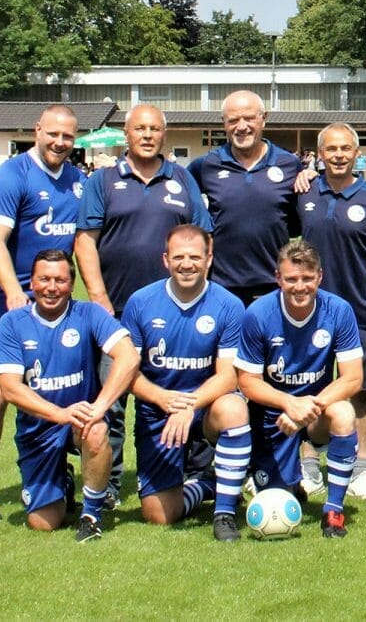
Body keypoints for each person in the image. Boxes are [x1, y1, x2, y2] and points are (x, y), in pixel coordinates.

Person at [76, 103, 213, 507]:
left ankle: (196, 475)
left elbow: (204, 238)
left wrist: (200, 294)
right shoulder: (102, 181)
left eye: (155, 128)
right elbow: (85, 242)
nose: (148, 135)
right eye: (140, 128)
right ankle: (109, 486)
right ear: (127, 133)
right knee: (113, 403)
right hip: (116, 316)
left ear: (163, 135)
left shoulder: (182, 178)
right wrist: (98, 299)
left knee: (186, 396)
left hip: (176, 315)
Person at [0, 105, 86, 521]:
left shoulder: (77, 181)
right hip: (9, 305)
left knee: (62, 389)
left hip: (57, 306)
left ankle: (62, 476)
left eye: (68, 137)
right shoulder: (11, 175)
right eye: (52, 134)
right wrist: (14, 293)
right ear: (37, 131)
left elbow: (83, 243)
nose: (59, 142)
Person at [0, 250, 141, 541]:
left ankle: (91, 515)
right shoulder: (12, 324)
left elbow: (128, 356)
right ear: (32, 283)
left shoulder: (89, 313)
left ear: (72, 284)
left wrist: (100, 406)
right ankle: (61, 482)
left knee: (97, 430)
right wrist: (58, 414)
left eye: (60, 280)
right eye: (44, 279)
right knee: (44, 522)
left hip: (81, 422)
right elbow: (10, 387)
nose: (52, 287)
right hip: (39, 429)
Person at [122, 225, 251, 541]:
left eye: (195, 257)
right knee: (159, 515)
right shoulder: (140, 302)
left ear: (209, 259)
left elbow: (228, 375)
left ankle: (224, 513)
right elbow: (126, 372)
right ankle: (211, 484)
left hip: (205, 408)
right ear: (166, 259)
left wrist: (190, 404)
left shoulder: (229, 305)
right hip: (158, 411)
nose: (187, 264)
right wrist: (163, 398)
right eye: (179, 256)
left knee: (234, 407)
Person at [234, 240, 363, 538]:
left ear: (320, 276)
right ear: (278, 278)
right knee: (277, 497)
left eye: (307, 278)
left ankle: (334, 511)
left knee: (344, 412)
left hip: (316, 412)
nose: (300, 286)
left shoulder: (339, 311)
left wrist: (306, 408)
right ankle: (288, 482)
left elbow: (353, 378)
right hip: (273, 415)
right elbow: (248, 382)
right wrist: (288, 404)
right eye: (291, 279)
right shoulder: (258, 313)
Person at [297, 122, 366, 501]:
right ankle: (308, 466)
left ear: (357, 154)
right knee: (309, 387)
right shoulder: (304, 193)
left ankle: (359, 468)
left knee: (361, 391)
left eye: (345, 149)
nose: (338, 155)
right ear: (319, 155)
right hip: (310, 310)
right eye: (331, 149)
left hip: (362, 310)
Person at [188, 90, 302, 305]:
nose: (242, 127)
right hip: (221, 286)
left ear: (264, 119)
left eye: (249, 118)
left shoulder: (289, 164)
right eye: (233, 120)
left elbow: (299, 224)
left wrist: (312, 174)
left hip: (275, 285)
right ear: (224, 123)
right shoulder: (205, 166)